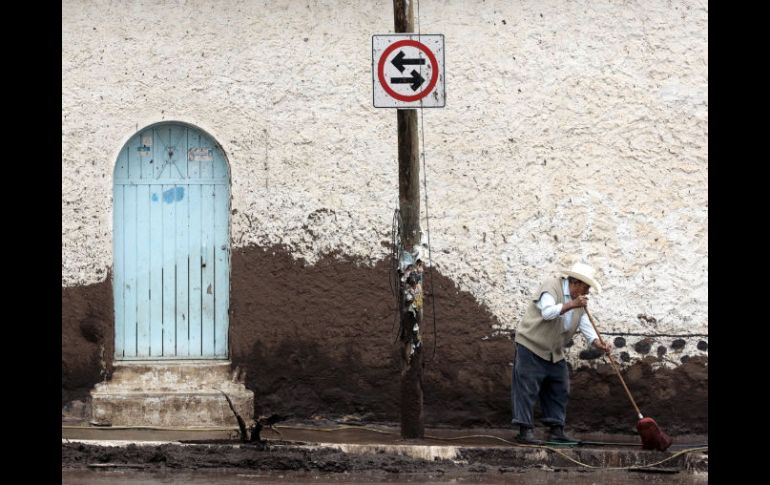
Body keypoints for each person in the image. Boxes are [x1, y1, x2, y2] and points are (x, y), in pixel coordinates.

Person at [511, 262, 610, 444]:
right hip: (531, 344)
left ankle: (556, 430)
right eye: (586, 287)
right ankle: (524, 431)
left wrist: (598, 342)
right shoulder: (551, 287)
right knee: (527, 388)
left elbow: (585, 324)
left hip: (554, 350)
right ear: (575, 283)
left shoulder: (579, 302)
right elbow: (548, 313)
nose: (587, 292)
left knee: (560, 387)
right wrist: (572, 304)